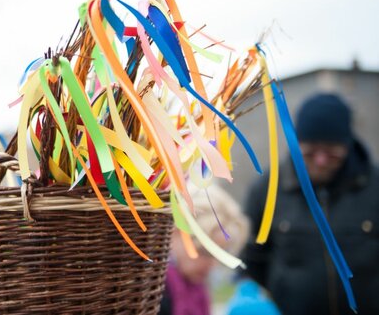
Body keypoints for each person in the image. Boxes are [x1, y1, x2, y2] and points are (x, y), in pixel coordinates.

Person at [240, 93, 379, 315]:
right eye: (311, 150)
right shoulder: (268, 189)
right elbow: (249, 257)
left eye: (331, 150)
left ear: (347, 144)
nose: (321, 160)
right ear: (297, 143)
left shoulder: (374, 185)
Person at [159, 184, 250, 315]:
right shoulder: (152, 292)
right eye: (204, 252)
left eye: (219, 255)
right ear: (175, 231)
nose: (211, 264)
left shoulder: (198, 293)